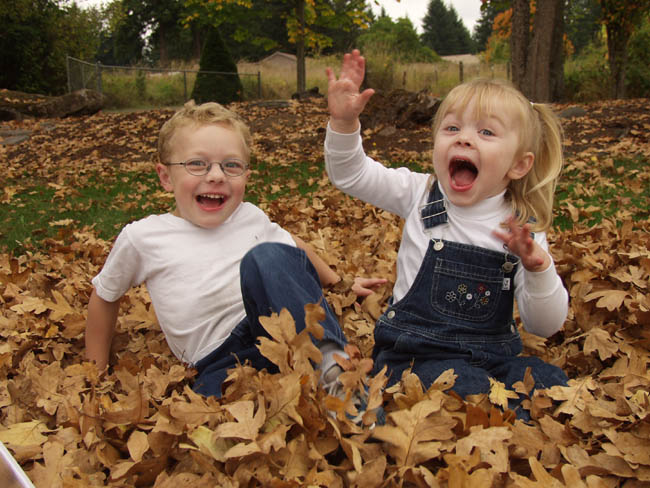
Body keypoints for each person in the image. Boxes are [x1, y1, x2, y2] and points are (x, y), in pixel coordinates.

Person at [324, 50, 569, 418]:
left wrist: (538, 267)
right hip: (415, 356)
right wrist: (344, 124)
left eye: (485, 132)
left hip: (492, 358)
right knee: (465, 388)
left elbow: (544, 325)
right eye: (452, 128)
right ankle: (396, 415)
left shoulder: (522, 228)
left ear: (519, 164)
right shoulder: (419, 194)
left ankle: (493, 412)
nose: (464, 139)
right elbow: (352, 175)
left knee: (552, 382)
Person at [85, 100, 379, 402]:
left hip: (280, 329)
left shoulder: (249, 216)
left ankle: (348, 395)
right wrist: (97, 376)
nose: (216, 175)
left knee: (267, 257)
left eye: (231, 165)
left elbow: (294, 248)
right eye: (197, 164)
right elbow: (105, 295)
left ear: (246, 177)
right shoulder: (144, 237)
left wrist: (339, 284)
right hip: (221, 359)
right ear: (165, 177)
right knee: (221, 419)